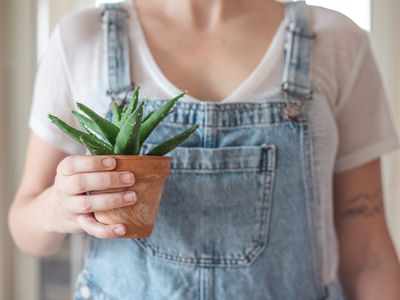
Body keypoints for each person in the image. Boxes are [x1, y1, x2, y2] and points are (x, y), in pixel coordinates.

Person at [8, 0, 400, 299]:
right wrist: (58, 208)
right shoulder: (81, 38)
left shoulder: (336, 40)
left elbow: (367, 252)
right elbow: (26, 229)